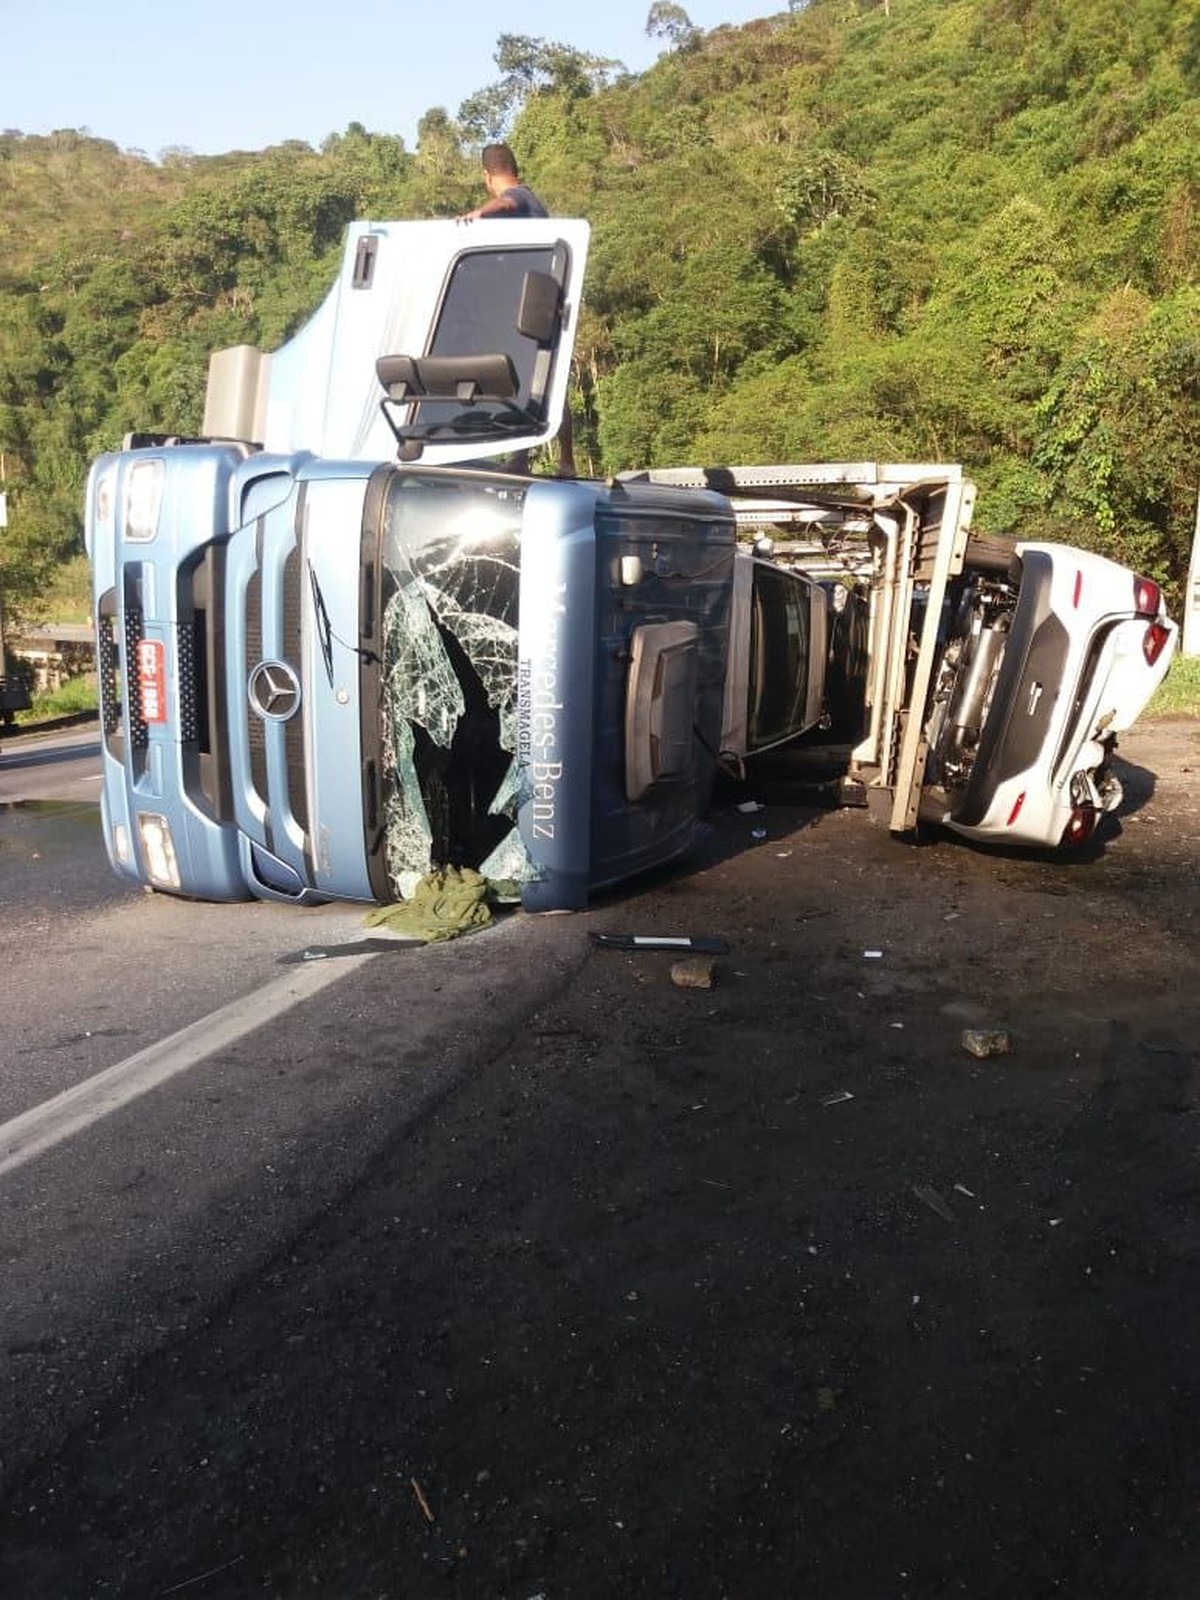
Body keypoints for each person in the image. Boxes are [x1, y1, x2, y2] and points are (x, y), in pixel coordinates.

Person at [458, 143, 548, 221]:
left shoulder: (518, 193)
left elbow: (505, 203)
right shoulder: (528, 198)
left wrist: (479, 212)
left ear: (487, 176)